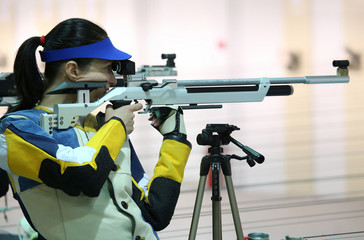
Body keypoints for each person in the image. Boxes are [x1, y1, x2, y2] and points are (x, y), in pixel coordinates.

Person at [0, 18, 191, 240]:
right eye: (108, 68)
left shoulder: (99, 126)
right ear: (73, 71)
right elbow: (81, 175)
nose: (112, 80)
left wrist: (174, 138)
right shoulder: (15, 129)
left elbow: (155, 212)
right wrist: (116, 126)